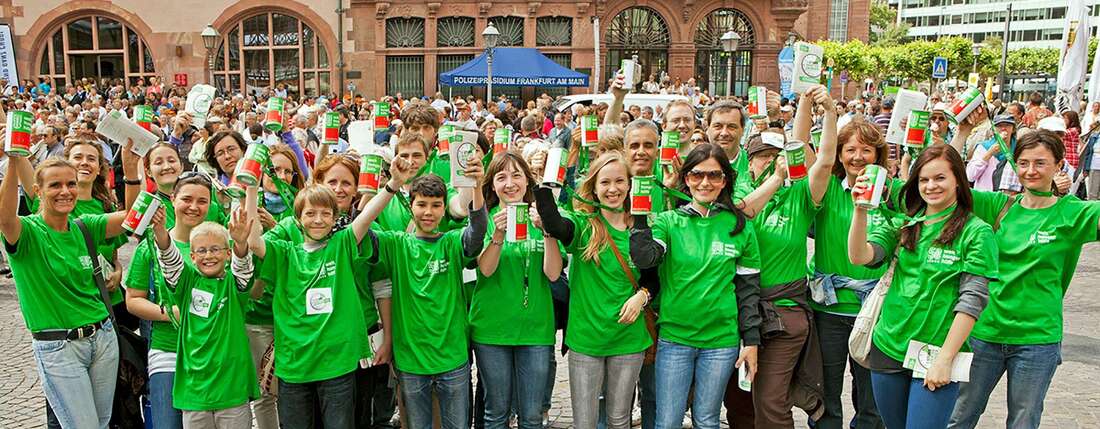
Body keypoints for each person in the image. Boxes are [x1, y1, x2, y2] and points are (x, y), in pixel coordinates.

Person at [949, 130, 1100, 429]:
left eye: (1041, 163)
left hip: (1037, 339)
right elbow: (943, 180)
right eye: (1024, 162)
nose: (1031, 171)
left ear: (1059, 165)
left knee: (1024, 421)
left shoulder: (1073, 213)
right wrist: (962, 132)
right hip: (985, 333)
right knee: (958, 417)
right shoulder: (998, 206)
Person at [848, 145, 997, 428]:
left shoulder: (976, 232)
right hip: (888, 346)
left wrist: (945, 358)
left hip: (936, 355)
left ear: (958, 180)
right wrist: (860, 212)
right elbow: (860, 256)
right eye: (924, 180)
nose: (931, 186)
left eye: (940, 178)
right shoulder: (906, 223)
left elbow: (972, 300)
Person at [628, 143, 763, 429]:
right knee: (667, 422)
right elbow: (645, 258)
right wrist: (639, 214)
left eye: (714, 175)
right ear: (686, 178)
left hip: (721, 342)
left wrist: (751, 342)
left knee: (707, 420)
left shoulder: (740, 226)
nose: (705, 182)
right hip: (675, 338)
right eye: (697, 174)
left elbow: (749, 291)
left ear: (725, 180)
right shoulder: (668, 221)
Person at [0, 153, 132, 428]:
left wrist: (131, 170)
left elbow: (133, 218)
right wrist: (13, 162)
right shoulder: (28, 232)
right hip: (59, 347)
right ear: (37, 191)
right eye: (55, 185)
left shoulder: (84, 226)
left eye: (71, 184)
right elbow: (4, 217)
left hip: (103, 338)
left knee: (102, 423)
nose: (65, 191)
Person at [363, 153, 488, 429]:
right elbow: (359, 230)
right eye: (421, 204)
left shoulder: (452, 243)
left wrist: (476, 185)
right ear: (411, 206)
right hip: (411, 362)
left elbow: (477, 232)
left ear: (445, 209)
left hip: (453, 359)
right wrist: (392, 185)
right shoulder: (396, 244)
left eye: (435, 205)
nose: (428, 212)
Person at [535, 152, 652, 429]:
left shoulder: (642, 227)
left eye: (620, 181)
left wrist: (642, 296)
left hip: (629, 338)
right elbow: (553, 224)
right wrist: (545, 184)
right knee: (585, 422)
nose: (613, 189)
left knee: (619, 419)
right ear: (594, 188)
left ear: (630, 184)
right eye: (605, 183)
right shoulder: (584, 225)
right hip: (586, 339)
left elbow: (653, 278)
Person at [810, 119, 895, 429]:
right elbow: (807, 150)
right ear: (839, 154)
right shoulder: (827, 188)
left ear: (878, 154)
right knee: (826, 396)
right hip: (829, 309)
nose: (858, 157)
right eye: (850, 150)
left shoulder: (890, 194)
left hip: (874, 312)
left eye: (867, 150)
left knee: (872, 401)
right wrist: (826, 111)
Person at [471, 152, 561, 429]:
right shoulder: (483, 221)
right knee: (496, 413)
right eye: (501, 177)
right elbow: (485, 270)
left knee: (532, 415)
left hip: (535, 329)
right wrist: (497, 235)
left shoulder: (542, 219)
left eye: (516, 175)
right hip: (492, 330)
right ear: (493, 185)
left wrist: (546, 230)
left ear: (527, 180)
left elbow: (553, 273)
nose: (510, 184)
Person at [151, 206, 259, 428]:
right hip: (195, 391)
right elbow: (170, 261)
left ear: (227, 253)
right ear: (191, 256)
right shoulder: (187, 281)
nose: (208, 256)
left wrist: (240, 244)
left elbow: (243, 268)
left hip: (231, 389)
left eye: (216, 249)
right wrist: (161, 232)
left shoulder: (234, 284)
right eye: (201, 251)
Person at [124, 172, 214, 429]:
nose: (194, 207)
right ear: (173, 199)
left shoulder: (218, 244)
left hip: (210, 352)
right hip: (167, 350)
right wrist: (171, 313)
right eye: (187, 199)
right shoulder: (150, 246)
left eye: (202, 201)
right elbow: (133, 300)